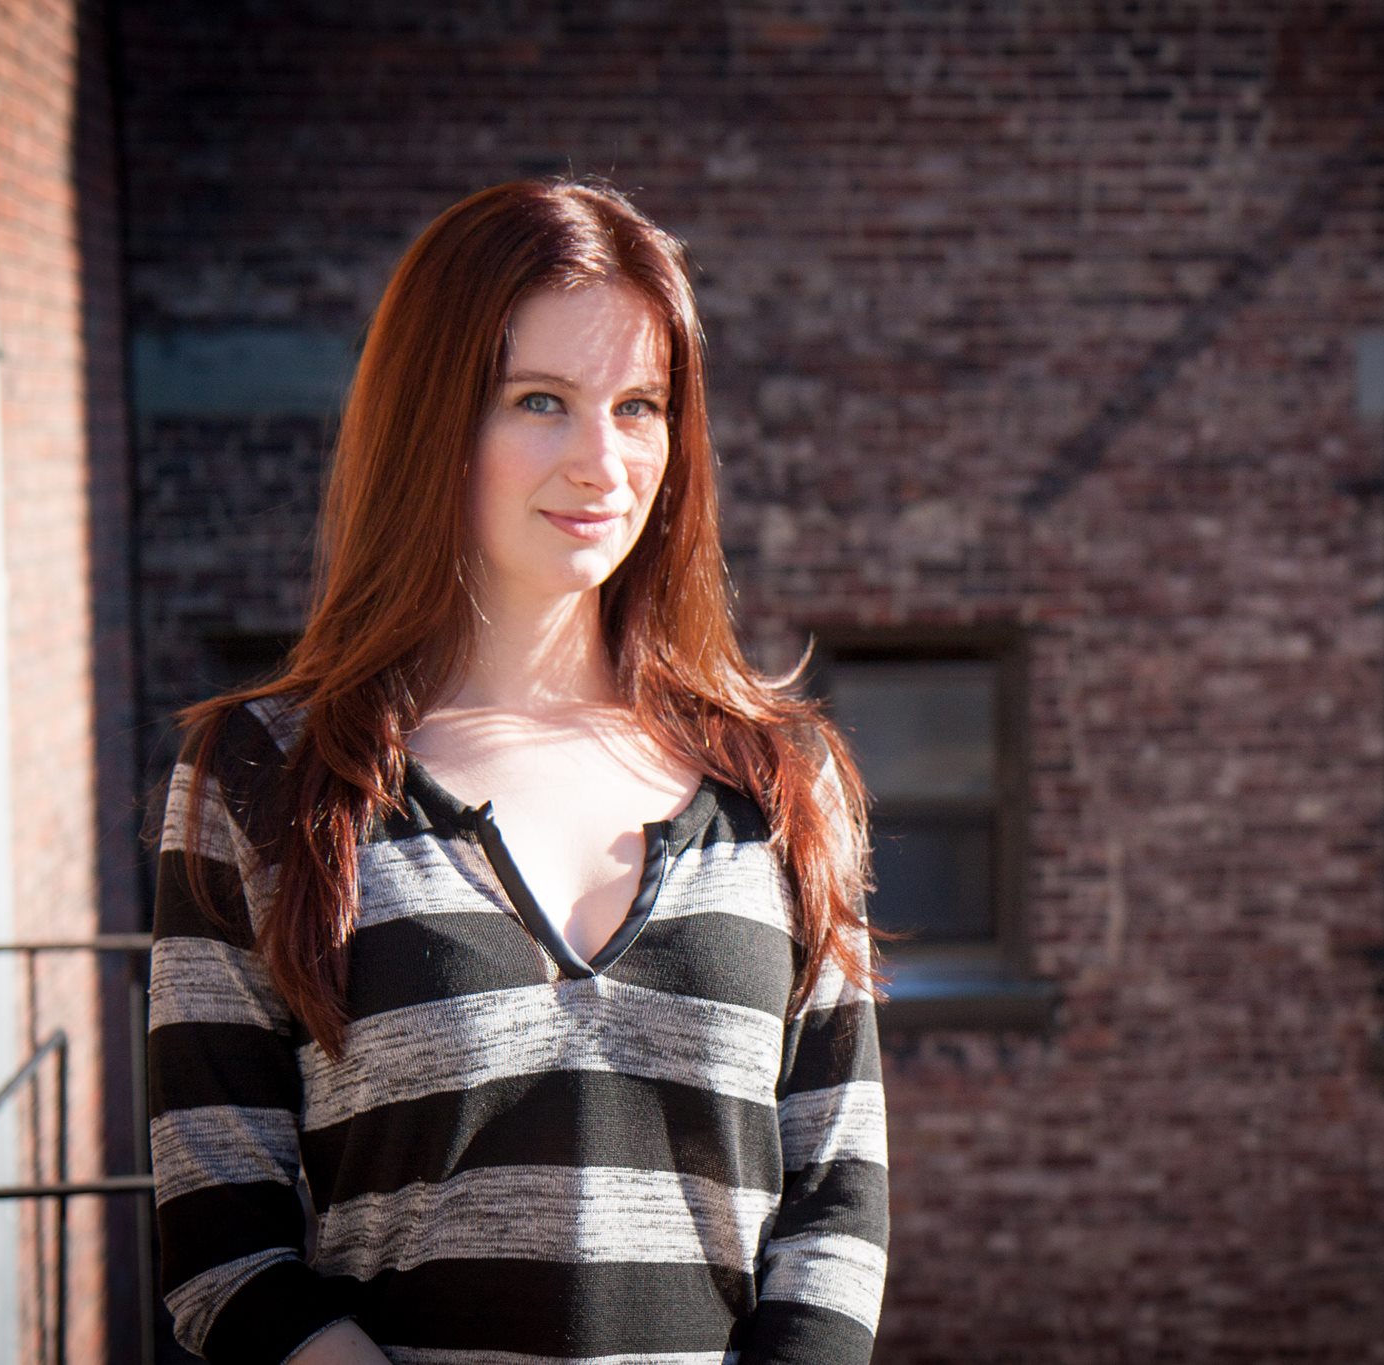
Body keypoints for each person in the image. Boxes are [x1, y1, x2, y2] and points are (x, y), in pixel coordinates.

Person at [145, 176, 890, 1365]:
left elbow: (837, 1202)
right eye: (540, 400)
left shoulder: (784, 780)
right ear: (434, 420)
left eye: (638, 405)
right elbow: (220, 1231)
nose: (602, 463)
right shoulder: (263, 776)